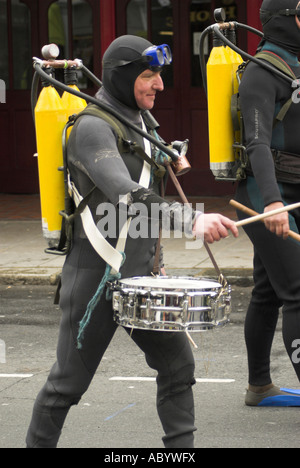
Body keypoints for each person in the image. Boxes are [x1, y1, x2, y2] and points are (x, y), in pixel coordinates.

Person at [26, 35, 238, 448]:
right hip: (94, 280)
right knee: (66, 386)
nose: (159, 86)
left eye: (159, 76)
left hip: (141, 277)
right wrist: (191, 219)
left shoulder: (140, 122)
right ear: (122, 78)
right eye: (148, 76)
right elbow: (123, 193)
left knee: (179, 367)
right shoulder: (91, 128)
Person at [235, 0, 300, 406]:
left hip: (293, 193)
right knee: (298, 290)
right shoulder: (261, 72)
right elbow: (257, 143)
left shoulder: (295, 65)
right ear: (285, 20)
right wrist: (272, 204)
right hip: (265, 196)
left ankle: (259, 385)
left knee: (267, 291)